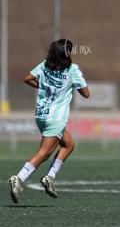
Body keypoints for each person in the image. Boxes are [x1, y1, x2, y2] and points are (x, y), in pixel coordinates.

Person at [8, 39, 90, 203]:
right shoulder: (72, 69)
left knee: (68, 145)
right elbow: (86, 93)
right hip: (56, 118)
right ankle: (19, 178)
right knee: (44, 153)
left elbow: (27, 78)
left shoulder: (45, 65)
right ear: (67, 53)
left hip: (41, 115)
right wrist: (72, 85)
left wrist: (45, 86)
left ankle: (50, 176)